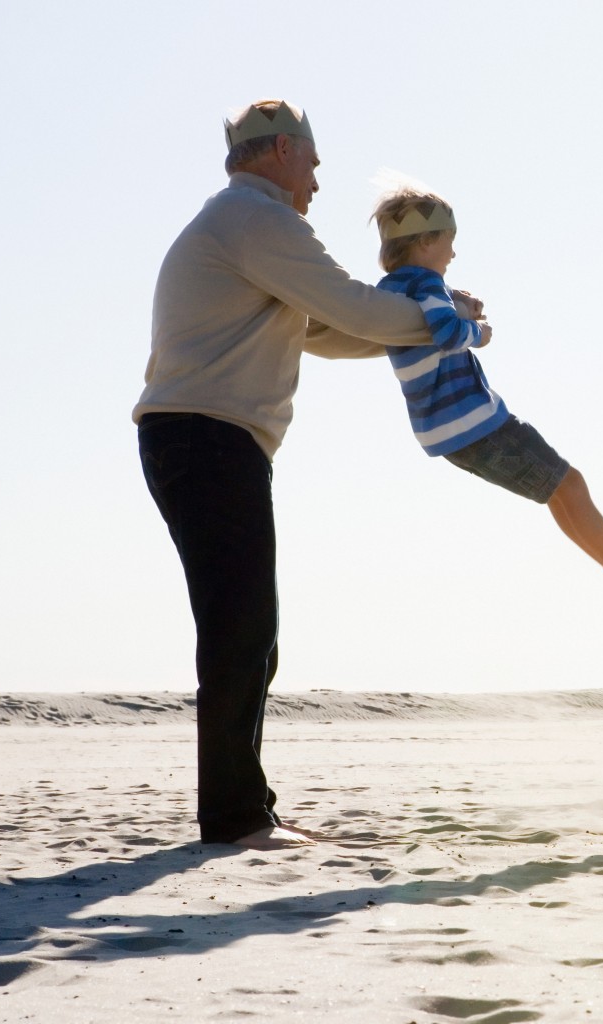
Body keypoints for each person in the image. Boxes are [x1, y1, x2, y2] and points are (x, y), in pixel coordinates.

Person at [134, 101, 473, 850]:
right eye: (314, 162)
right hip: (206, 438)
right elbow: (354, 305)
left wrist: (429, 326)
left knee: (249, 629)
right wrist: (450, 321)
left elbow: (326, 329)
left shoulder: (240, 224)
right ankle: (236, 820)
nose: (317, 181)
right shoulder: (260, 221)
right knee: (240, 629)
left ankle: (246, 809)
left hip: (203, 440)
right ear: (282, 150)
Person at [370, 185, 603, 600]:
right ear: (425, 242)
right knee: (571, 485)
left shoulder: (392, 288)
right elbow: (447, 332)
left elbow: (425, 315)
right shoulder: (429, 285)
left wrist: (456, 299)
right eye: (449, 243)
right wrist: (479, 333)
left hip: (444, 433)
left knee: (559, 491)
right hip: (475, 424)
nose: (452, 254)